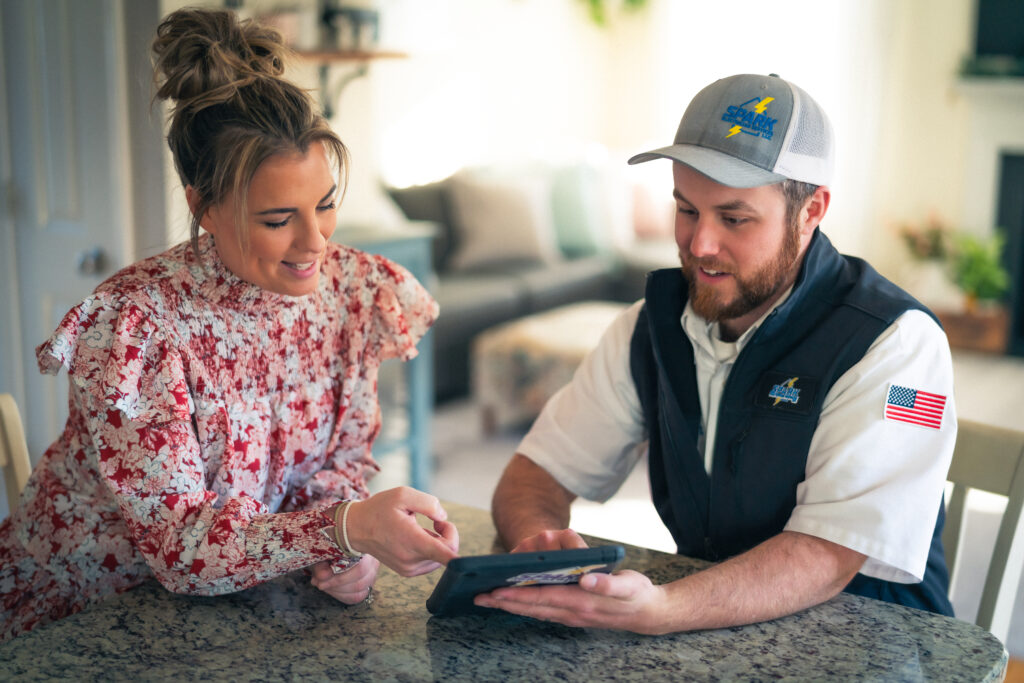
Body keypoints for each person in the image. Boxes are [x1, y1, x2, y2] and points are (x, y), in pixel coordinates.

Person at [0, 8, 457, 642]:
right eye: (278, 220)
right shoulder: (137, 325)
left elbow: (339, 466)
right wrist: (344, 526)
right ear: (202, 205)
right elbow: (179, 546)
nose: (314, 242)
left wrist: (351, 549)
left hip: (245, 608)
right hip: (83, 619)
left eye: (325, 206)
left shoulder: (351, 291)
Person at [479, 73, 957, 634]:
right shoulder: (647, 327)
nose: (700, 245)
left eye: (734, 218)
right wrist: (541, 546)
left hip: (881, 645)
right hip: (717, 635)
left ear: (811, 212)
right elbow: (534, 475)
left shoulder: (898, 344)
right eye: (686, 210)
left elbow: (828, 556)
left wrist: (666, 609)